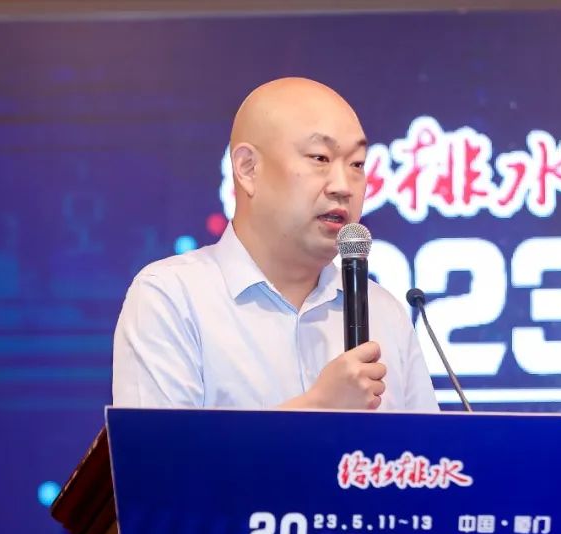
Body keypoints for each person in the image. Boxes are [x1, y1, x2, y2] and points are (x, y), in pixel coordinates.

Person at [112, 77, 438, 412]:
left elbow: (429, 446)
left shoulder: (385, 313)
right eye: (320, 158)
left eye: (357, 164)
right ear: (248, 168)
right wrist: (319, 407)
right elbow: (159, 448)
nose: (343, 186)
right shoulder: (172, 298)